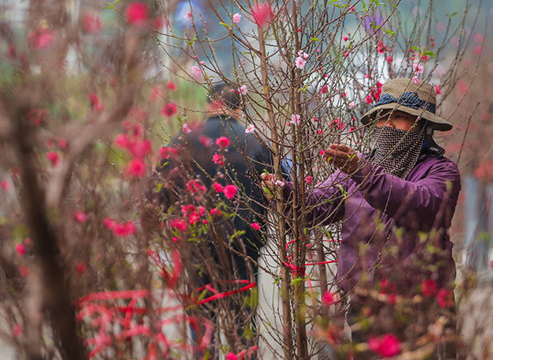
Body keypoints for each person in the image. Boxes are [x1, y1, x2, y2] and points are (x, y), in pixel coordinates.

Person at [261, 78, 460, 358]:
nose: (388, 125)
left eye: (400, 118)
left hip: (421, 308)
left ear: (422, 126)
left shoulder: (441, 172)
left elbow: (420, 205)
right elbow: (315, 207)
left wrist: (362, 171)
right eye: (383, 117)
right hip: (365, 307)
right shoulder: (358, 169)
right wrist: (283, 193)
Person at [155, 82, 273, 354]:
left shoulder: (183, 140)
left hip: (197, 247)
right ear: (239, 107)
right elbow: (278, 190)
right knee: (244, 329)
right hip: (243, 249)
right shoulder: (253, 141)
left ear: (209, 104)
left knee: (203, 332)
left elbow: (158, 192)